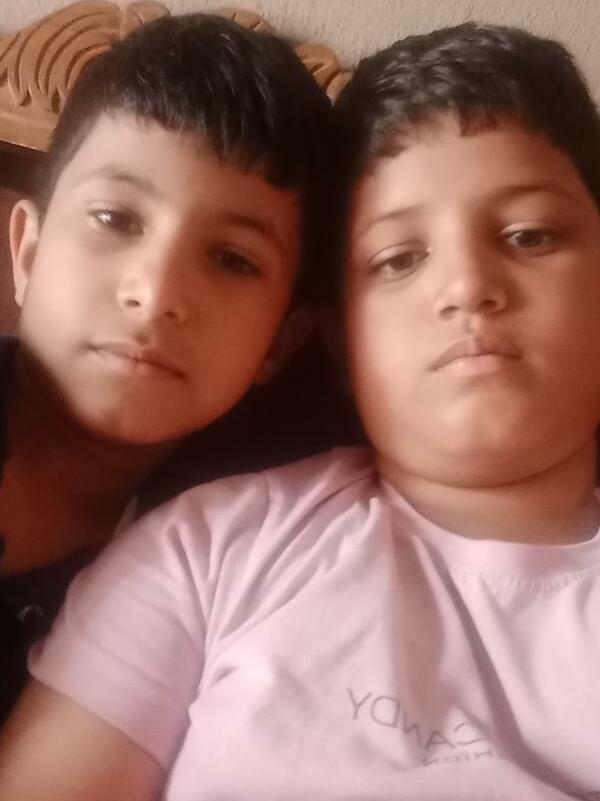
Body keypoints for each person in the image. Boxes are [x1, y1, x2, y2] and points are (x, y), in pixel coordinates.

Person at [3, 20, 600, 801]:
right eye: (399, 257)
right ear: (340, 342)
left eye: (529, 234)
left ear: (288, 343)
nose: (467, 286)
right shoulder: (210, 548)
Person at [0, 12, 336, 723]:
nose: (155, 294)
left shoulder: (251, 551)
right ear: (26, 252)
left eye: (232, 259)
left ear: (280, 342)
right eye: (115, 219)